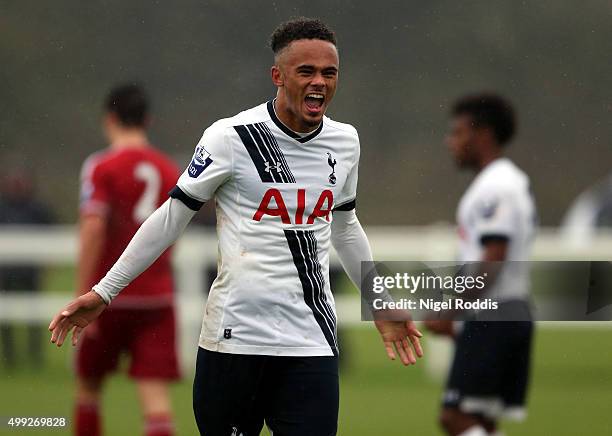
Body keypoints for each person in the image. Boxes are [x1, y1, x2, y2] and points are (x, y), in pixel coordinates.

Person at [49, 18, 423, 436]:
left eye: (329, 73)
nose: (319, 82)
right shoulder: (231, 137)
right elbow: (172, 217)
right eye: (306, 72)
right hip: (235, 341)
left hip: (311, 342)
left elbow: (346, 225)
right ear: (277, 76)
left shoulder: (345, 141)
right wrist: (105, 291)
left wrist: (379, 300)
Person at [72, 83, 180, 436]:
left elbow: (93, 228)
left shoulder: (101, 166)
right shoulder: (168, 169)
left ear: (110, 119)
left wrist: (82, 291)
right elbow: (173, 232)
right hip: (156, 297)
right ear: (147, 120)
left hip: (106, 296)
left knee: (89, 389)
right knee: (156, 400)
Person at [425, 94, 536, 436]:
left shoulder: (496, 186)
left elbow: (493, 258)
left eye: (458, 132)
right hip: (511, 311)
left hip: (495, 315)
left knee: (455, 417)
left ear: (483, 134)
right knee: (483, 421)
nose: (450, 142)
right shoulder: (508, 182)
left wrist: (451, 310)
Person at [0, 171, 54, 369]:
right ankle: (9, 358)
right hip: (5, 273)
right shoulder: (2, 209)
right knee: (5, 318)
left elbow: (52, 237)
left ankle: (35, 356)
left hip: (31, 272)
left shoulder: (38, 210)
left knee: (34, 316)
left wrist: (48, 265)